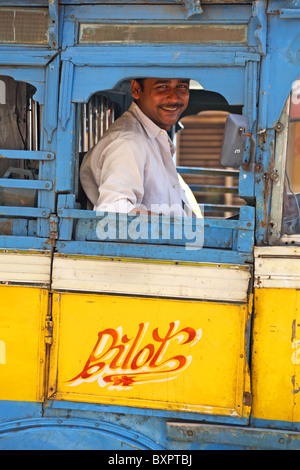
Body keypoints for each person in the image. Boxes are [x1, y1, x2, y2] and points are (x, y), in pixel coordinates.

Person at [80, 78, 200, 217]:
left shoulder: (153, 138)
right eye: (162, 87)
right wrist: (174, 227)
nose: (174, 97)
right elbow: (114, 212)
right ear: (136, 90)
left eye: (181, 86)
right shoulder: (128, 143)